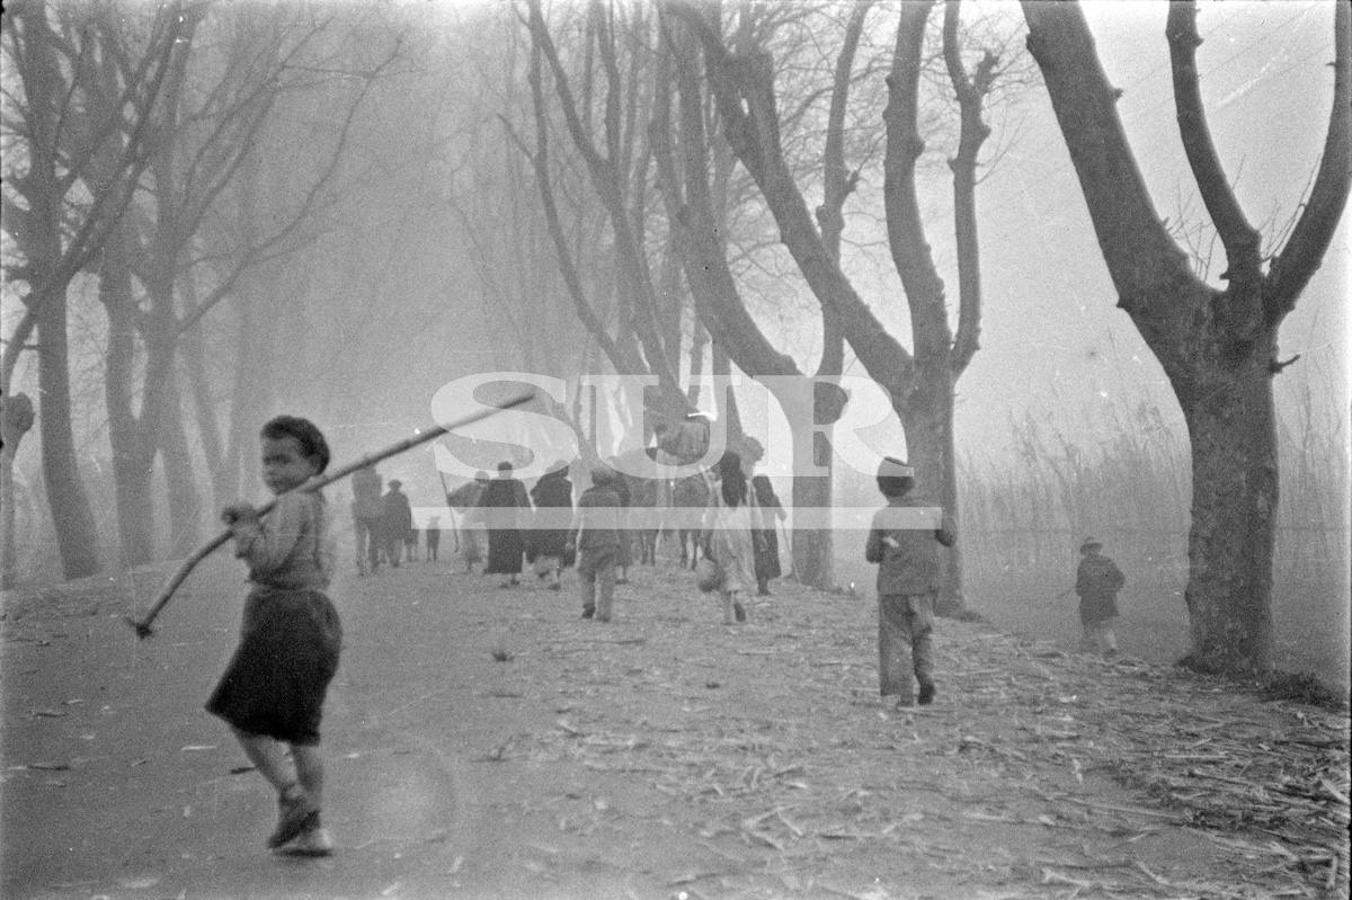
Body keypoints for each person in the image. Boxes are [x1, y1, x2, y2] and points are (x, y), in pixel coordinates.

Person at [207, 415, 342, 857]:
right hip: (318, 616)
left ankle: (292, 796)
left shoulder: (292, 503)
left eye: (284, 460)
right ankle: (314, 831)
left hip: (282, 618)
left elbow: (267, 560)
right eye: (267, 462)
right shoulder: (318, 502)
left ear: (314, 461)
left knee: (243, 718)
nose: (272, 471)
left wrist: (246, 525)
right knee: (302, 732)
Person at [865, 457, 956, 709]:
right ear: (911, 483)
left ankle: (901, 696)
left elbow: (871, 554)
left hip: (893, 588)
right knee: (923, 633)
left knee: (896, 638)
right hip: (927, 586)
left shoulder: (882, 517)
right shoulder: (931, 511)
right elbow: (950, 537)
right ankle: (926, 677)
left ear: (882, 487)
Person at [701, 451, 757, 625]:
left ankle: (728, 618)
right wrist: (760, 534)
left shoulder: (717, 487)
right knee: (741, 570)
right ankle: (739, 597)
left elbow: (710, 515)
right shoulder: (748, 486)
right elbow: (756, 513)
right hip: (742, 534)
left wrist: (704, 537)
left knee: (725, 574)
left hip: (722, 534)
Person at [569, 467, 621, 621]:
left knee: (585, 574)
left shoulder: (587, 497)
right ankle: (605, 612)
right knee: (607, 579)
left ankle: (588, 605)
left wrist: (571, 538)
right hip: (610, 541)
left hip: (590, 541)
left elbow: (577, 520)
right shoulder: (614, 497)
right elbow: (618, 518)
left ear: (594, 480)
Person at [481, 461, 531, 587]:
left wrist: (486, 521)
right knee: (515, 550)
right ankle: (515, 576)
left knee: (501, 550)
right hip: (515, 523)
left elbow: (485, 504)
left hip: (498, 523)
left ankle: (505, 579)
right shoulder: (518, 484)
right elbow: (525, 503)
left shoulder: (492, 485)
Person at [1076, 537, 1125, 657]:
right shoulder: (1107, 562)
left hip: (1096, 602)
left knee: (1096, 626)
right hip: (1099, 601)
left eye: (1092, 549)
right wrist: (1113, 589)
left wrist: (1112, 589)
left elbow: (1120, 578)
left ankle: (1097, 653)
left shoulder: (1086, 564)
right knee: (1099, 627)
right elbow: (1120, 579)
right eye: (1089, 549)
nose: (1091, 551)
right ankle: (1103, 652)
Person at [528, 461, 573, 591]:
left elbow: (535, 496)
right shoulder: (567, 485)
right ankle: (555, 574)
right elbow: (568, 505)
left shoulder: (544, 482)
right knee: (557, 551)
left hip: (544, 520)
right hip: (562, 521)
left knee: (546, 549)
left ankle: (551, 577)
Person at [750, 472, 786, 596]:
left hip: (756, 532)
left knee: (758, 558)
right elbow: (783, 515)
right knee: (768, 558)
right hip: (770, 532)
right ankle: (764, 586)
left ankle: (760, 584)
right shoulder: (773, 498)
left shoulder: (752, 499)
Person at [350, 465, 383, 575]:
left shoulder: (355, 477)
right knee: (374, 540)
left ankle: (361, 566)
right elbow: (378, 493)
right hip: (375, 512)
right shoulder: (377, 477)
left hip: (360, 511)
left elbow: (355, 492)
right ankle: (374, 565)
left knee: (360, 541)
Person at [379, 479, 413, 569]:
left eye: (395, 487)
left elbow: (406, 510)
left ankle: (394, 560)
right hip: (396, 523)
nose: (395, 488)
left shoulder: (386, 497)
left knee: (393, 542)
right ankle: (394, 559)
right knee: (394, 542)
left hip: (392, 523)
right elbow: (407, 510)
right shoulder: (402, 497)